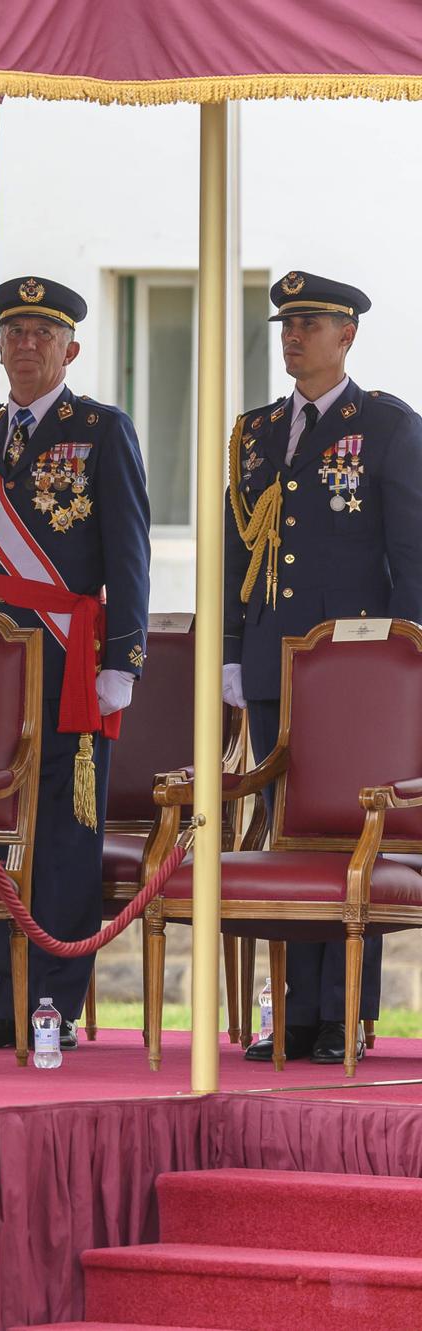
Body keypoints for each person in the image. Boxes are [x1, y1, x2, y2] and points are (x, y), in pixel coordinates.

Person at [225, 272, 422, 1066]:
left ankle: (344, 1013)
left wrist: (400, 665)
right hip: (275, 664)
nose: (292, 335)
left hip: (353, 673)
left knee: (348, 841)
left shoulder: (384, 425)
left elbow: (411, 559)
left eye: (309, 323)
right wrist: (236, 653)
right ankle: (298, 1013)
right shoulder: (256, 432)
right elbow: (237, 552)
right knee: (285, 839)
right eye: (286, 323)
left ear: (347, 335)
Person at [0, 278, 150, 1051]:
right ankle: (0, 1000)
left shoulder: (102, 429)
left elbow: (130, 550)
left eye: (42, 332)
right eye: (13, 331)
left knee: (67, 835)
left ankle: (53, 1001)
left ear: (70, 348)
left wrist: (125, 658)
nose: (25, 344)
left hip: (71, 658)